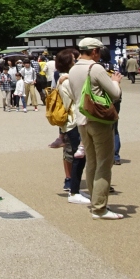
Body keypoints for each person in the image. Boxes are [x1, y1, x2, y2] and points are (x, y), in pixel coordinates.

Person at [67, 38, 123, 220]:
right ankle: (100, 207)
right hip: (98, 119)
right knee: (105, 163)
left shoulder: (73, 68)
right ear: (94, 52)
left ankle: (95, 201)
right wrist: (115, 81)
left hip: (81, 119)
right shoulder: (95, 68)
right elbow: (115, 94)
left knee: (91, 161)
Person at [53, 51, 88, 204]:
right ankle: (74, 191)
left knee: (77, 155)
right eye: (74, 59)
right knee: (78, 156)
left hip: (69, 122)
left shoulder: (64, 79)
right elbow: (78, 97)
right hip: (73, 121)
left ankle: (75, 189)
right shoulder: (66, 81)